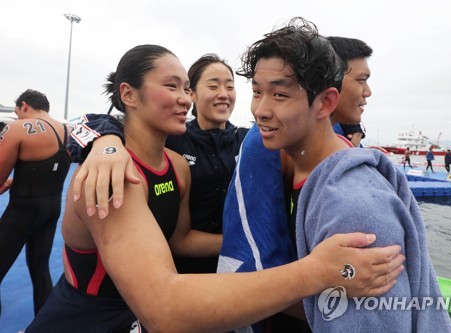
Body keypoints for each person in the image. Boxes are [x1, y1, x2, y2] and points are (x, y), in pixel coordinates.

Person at [26, 44, 402, 333]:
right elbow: (163, 309)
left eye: (186, 87)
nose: (185, 99)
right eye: (172, 86)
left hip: (175, 300)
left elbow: (178, 239)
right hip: (92, 319)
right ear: (128, 94)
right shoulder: (109, 175)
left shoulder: (176, 166)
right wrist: (316, 271)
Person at [236, 18, 451, 331]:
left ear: (325, 102)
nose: (260, 110)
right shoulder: (288, 162)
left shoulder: (353, 208)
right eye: (257, 92)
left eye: (280, 95)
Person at [68, 54, 247, 274]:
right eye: (213, 86)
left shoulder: (246, 142)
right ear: (194, 94)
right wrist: (107, 142)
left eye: (230, 86)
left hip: (232, 263)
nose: (223, 94)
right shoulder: (174, 137)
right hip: (176, 269)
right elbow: (87, 123)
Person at [0, 89, 71, 316]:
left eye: (18, 112)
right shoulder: (67, 131)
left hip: (21, 211)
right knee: (40, 271)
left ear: (24, 105)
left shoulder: (18, 128)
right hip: (51, 211)